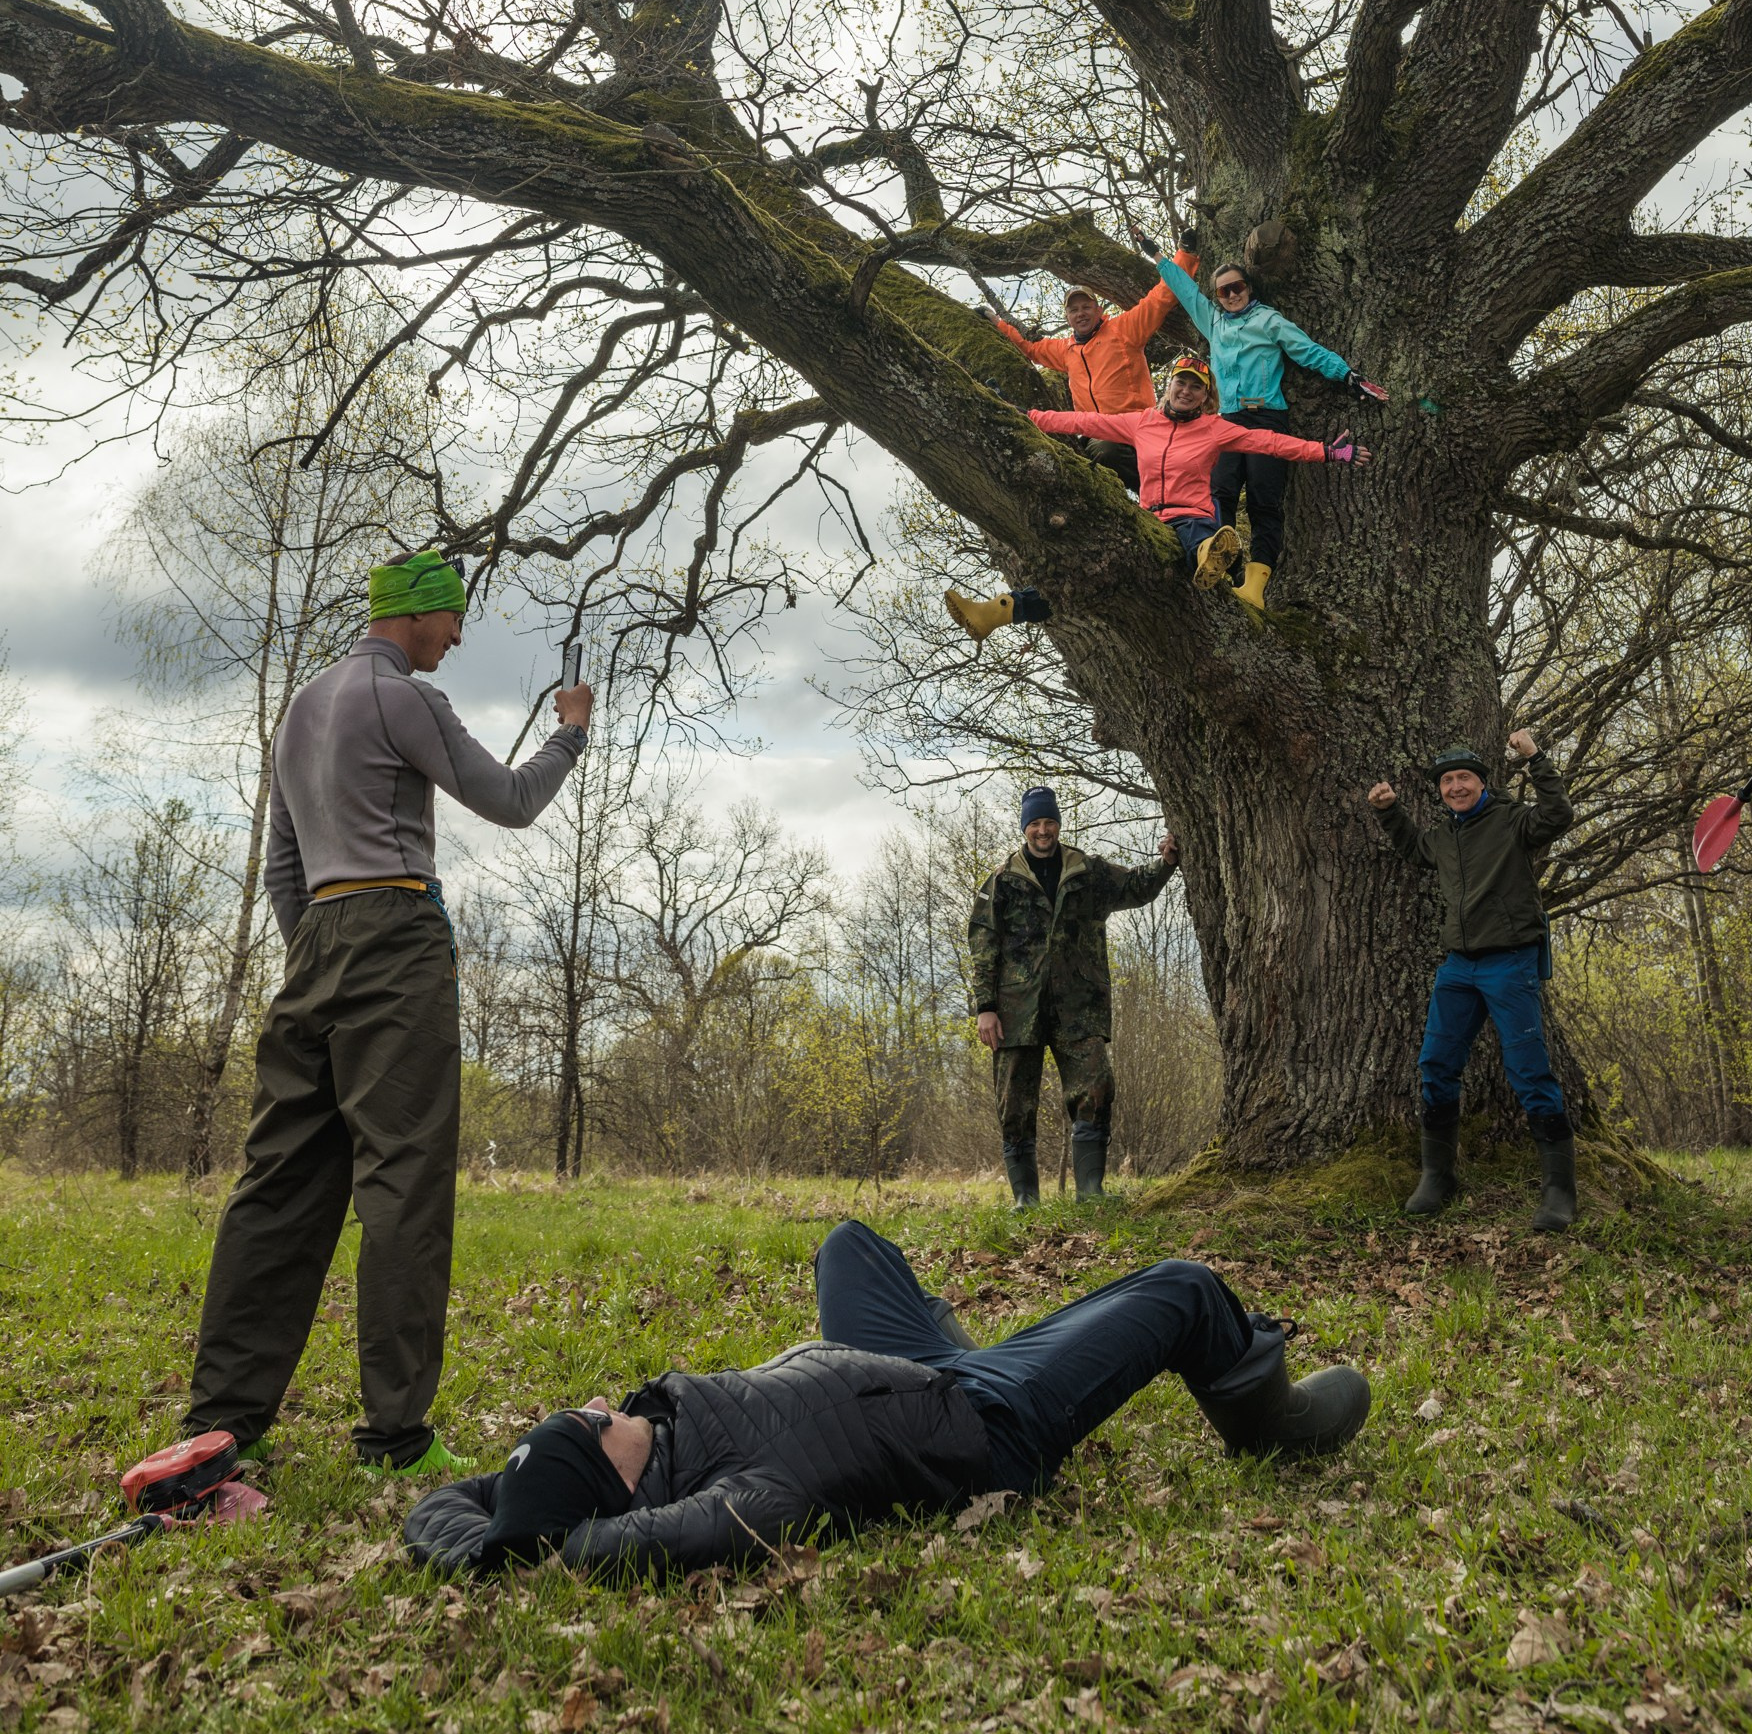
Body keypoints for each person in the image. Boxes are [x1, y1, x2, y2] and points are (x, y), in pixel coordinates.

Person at [180, 548, 593, 1477]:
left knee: (277, 1183)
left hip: (314, 940)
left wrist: (317, 952)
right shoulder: (404, 697)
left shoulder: (300, 708)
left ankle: (222, 1422)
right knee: (403, 1183)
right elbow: (511, 800)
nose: (455, 638)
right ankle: (396, 1437)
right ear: (417, 616)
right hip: (395, 931)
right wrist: (570, 732)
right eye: (452, 621)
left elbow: (284, 866)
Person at [401, 1216, 1371, 1576]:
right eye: (592, 1432)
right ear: (612, 1493)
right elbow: (671, 1542)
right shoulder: (734, 1497)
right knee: (1183, 1287)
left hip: (891, 1367)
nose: (599, 1407)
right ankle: (1269, 1424)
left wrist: (489, 1538)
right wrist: (559, 1551)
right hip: (981, 1419)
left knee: (847, 1246)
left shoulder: (646, 1438)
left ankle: (965, 1342)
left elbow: (449, 1505)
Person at [943, 356, 1357, 639]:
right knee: (1086, 571)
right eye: (1182, 382)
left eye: (1198, 388)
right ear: (1170, 385)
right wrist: (1030, 416)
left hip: (1192, 518)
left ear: (1207, 398)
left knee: (1199, 529)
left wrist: (1325, 451)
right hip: (1148, 520)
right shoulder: (1144, 422)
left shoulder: (1215, 428)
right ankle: (997, 612)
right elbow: (1087, 420)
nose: (1187, 391)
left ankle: (1211, 560)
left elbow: (1266, 441)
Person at [1367, 730, 1577, 1232]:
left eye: (1464, 778)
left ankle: (1560, 1190)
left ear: (1482, 782)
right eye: (1446, 781)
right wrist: (1389, 811)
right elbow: (1417, 850)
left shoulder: (1511, 820)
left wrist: (1535, 758)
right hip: (1458, 967)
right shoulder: (1443, 836)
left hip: (1511, 961)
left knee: (1529, 1072)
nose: (1455, 786)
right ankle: (1438, 1177)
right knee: (1436, 1065)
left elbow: (1559, 814)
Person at [966, 788, 1181, 1205]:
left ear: (1058, 825)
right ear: (1025, 828)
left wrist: (1167, 864)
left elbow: (1136, 887)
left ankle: (1090, 1191)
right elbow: (983, 943)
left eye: (1049, 822)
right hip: (1016, 1009)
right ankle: (1025, 1200)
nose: (1042, 830)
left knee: (1096, 1087)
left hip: (1078, 1004)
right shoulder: (1001, 881)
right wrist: (985, 1007)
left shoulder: (1087, 872)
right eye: (1035, 824)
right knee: (1014, 1102)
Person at [1154, 252, 1385, 611]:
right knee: (1220, 493)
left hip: (1265, 417)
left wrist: (1347, 375)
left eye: (1237, 287)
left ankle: (1255, 586)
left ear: (1248, 288)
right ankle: (1221, 569)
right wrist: (1159, 257)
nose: (1231, 296)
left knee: (1264, 500)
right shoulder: (1213, 321)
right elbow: (1187, 293)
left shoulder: (1269, 321)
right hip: (1227, 422)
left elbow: (1307, 351)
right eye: (1223, 292)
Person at [981, 237, 1200, 491]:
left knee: (1107, 453)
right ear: (1068, 317)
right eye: (1074, 310)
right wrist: (996, 322)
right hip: (1092, 433)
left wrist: (1186, 254)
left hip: (1133, 430)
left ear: (1098, 310)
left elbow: (1160, 297)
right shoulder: (1066, 349)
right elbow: (1030, 348)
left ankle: (1166, 494)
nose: (1081, 313)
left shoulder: (1123, 330)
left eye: (1086, 306)